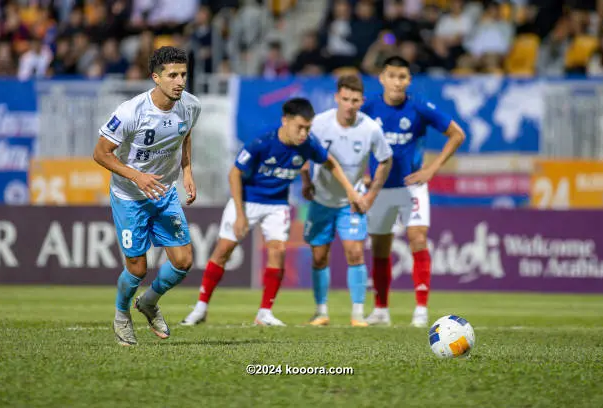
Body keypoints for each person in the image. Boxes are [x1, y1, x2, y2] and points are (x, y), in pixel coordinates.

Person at [180, 98, 366, 326]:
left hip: (277, 204)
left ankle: (265, 312)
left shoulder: (308, 144)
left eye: (308, 128)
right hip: (247, 200)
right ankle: (200, 308)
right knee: (224, 250)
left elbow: (330, 162)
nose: (304, 133)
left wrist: (346, 191)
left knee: (277, 251)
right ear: (285, 121)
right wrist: (240, 214)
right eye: (300, 127)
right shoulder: (261, 142)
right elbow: (234, 174)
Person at [93, 46, 201, 346]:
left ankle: (149, 302)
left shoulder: (190, 106)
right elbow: (100, 153)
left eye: (183, 75)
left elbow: (185, 133)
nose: (179, 81)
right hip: (130, 196)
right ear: (156, 78)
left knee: (183, 260)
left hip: (164, 193)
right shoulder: (131, 112)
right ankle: (121, 313)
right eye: (172, 75)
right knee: (138, 268)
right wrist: (136, 175)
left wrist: (187, 171)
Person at [362, 56, 466, 327]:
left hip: (411, 186)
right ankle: (381, 310)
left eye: (403, 77)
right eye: (392, 76)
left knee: (417, 238)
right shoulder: (368, 107)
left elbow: (457, 134)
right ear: (381, 78)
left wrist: (432, 169)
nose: (397, 82)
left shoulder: (419, 107)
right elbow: (355, 140)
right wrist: (363, 170)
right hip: (381, 188)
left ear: (409, 81)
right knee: (380, 247)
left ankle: (421, 309)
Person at [301, 75, 392, 327]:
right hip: (321, 199)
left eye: (355, 100)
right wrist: (306, 180)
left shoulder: (371, 128)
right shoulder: (319, 124)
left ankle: (358, 314)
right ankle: (321, 312)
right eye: (345, 99)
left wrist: (371, 194)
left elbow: (385, 159)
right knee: (319, 256)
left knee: (355, 253)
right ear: (336, 98)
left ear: (362, 100)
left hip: (351, 202)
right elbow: (303, 150)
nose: (350, 105)